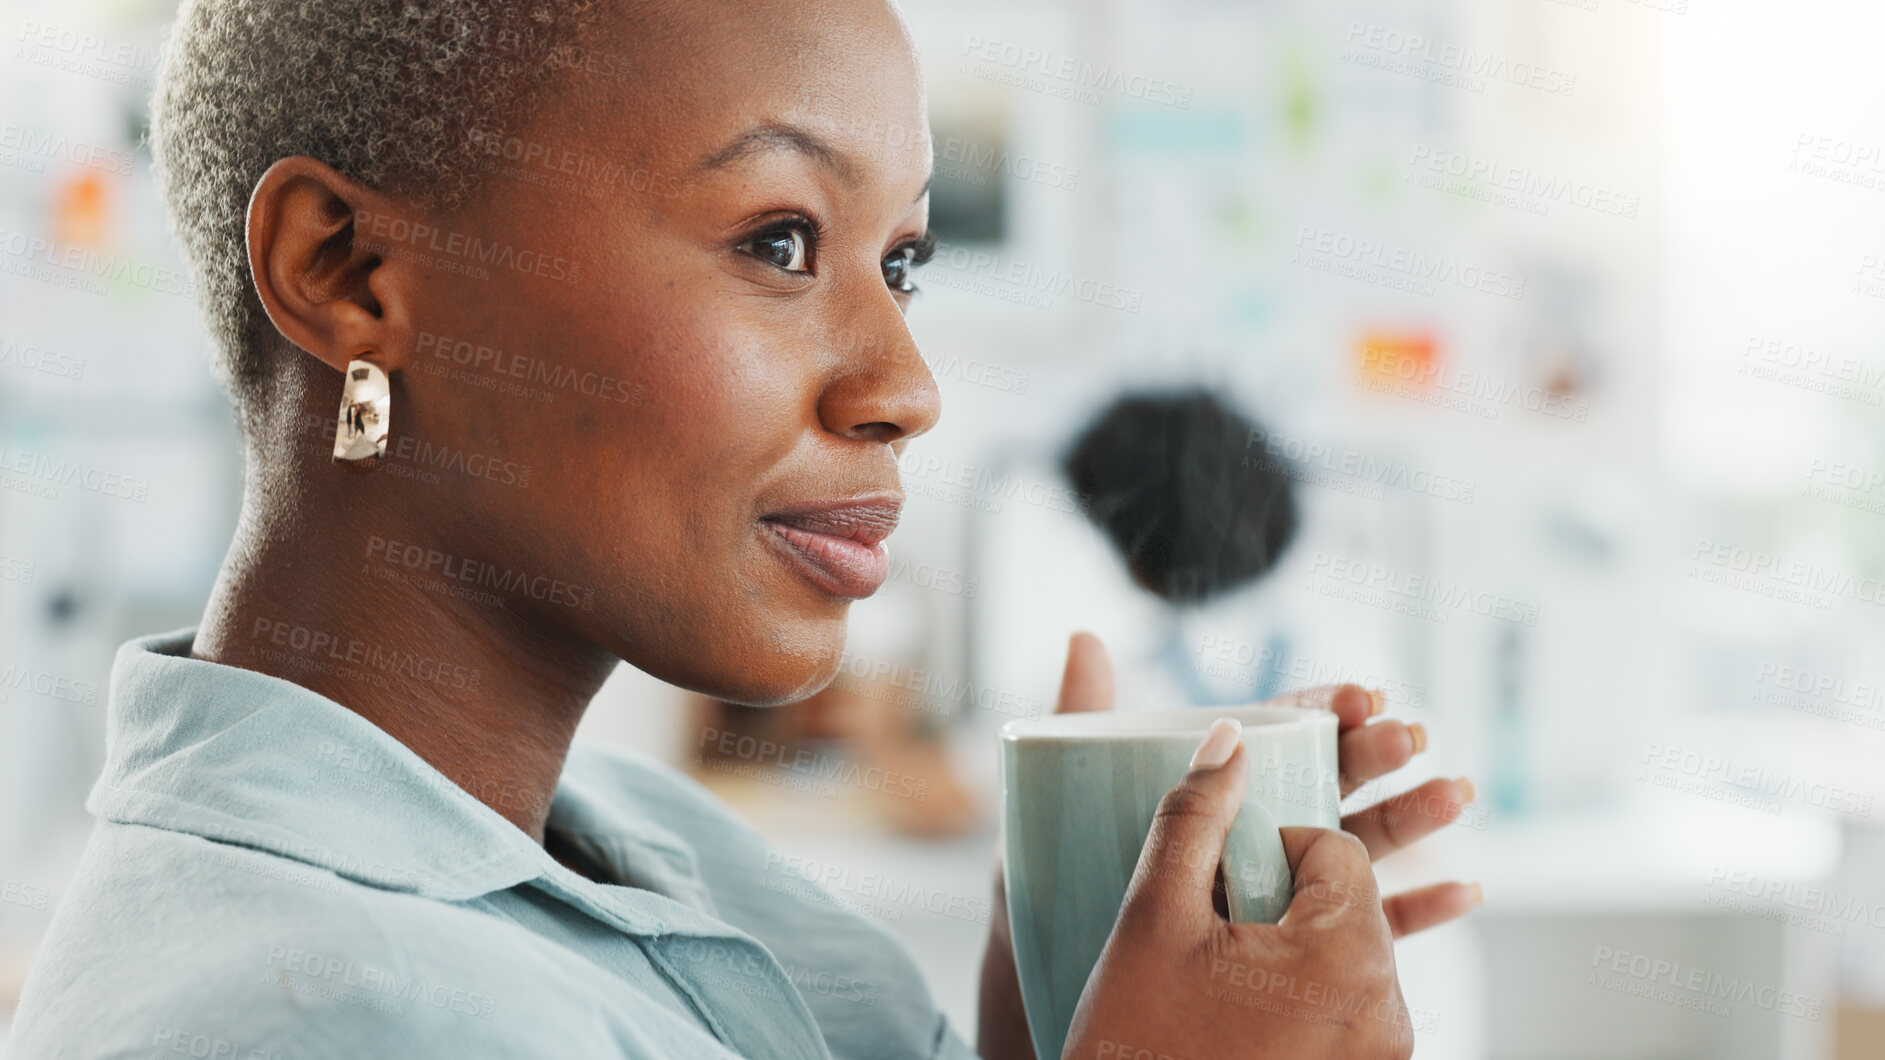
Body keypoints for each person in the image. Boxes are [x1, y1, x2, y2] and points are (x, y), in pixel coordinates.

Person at [7, 0, 1478, 1056]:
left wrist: (1063, 1009)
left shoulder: (669, 856)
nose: (904, 385)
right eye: (780, 242)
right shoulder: (335, 1010)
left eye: (899, 261)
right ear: (352, 271)